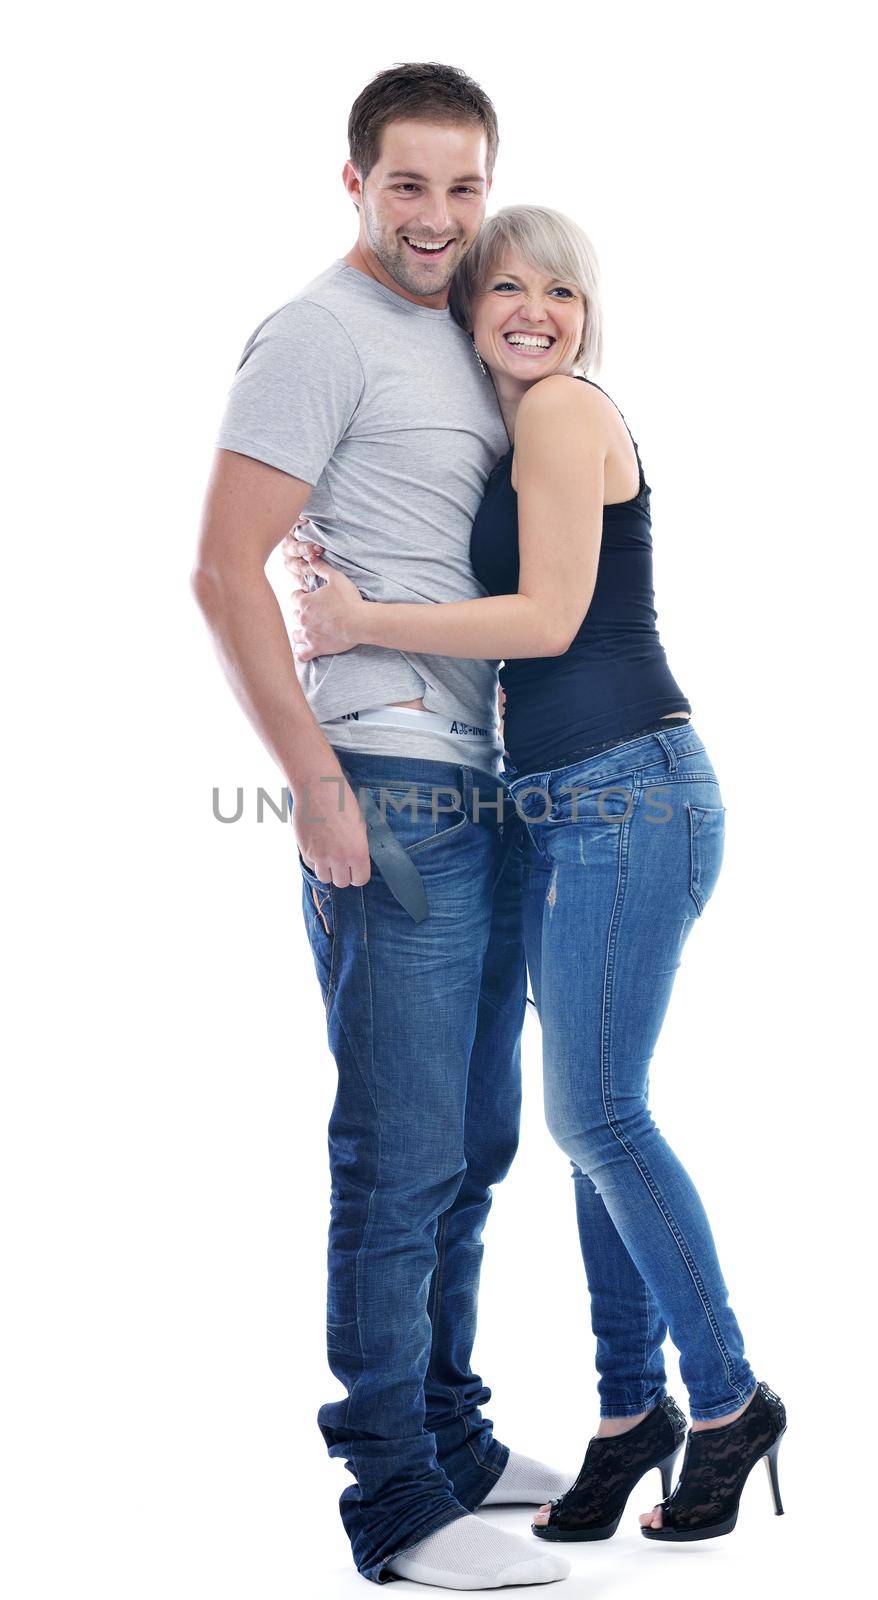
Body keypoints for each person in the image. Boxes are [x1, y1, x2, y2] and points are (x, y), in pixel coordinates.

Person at [284, 204, 788, 1548]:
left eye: (557, 289)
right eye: (503, 287)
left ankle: (728, 1399)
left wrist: (356, 619)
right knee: (588, 1133)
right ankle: (628, 1418)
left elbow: (549, 619)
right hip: (566, 807)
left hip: (628, 795)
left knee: (600, 1119)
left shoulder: (562, 410)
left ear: (584, 310)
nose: (531, 310)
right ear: (463, 312)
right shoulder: (512, 430)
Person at [192, 65, 573, 1590]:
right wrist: (318, 785)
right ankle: (396, 1503)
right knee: (400, 1148)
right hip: (388, 777)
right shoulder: (315, 332)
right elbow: (224, 570)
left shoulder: (462, 328)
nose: (435, 217)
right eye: (406, 185)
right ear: (351, 182)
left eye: (461, 187)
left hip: (479, 777)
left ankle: (454, 1436)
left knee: (472, 1140)